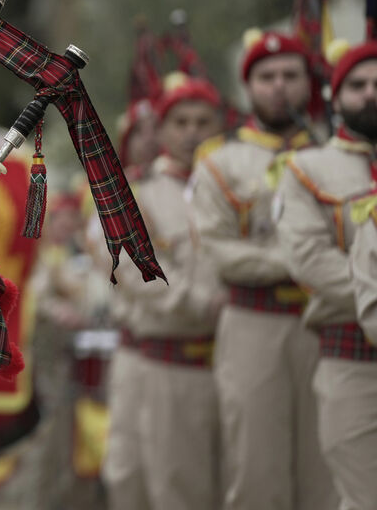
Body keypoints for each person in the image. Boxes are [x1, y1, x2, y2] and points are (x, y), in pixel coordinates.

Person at [189, 30, 335, 510]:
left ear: (308, 84)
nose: (279, 86)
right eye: (266, 76)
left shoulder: (336, 158)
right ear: (248, 87)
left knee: (328, 469)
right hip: (254, 324)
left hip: (329, 326)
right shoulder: (220, 162)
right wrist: (302, 262)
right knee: (257, 469)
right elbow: (219, 250)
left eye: (291, 75)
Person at [105, 76, 224, 510]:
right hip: (160, 356)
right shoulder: (135, 194)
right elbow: (135, 271)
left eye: (203, 121)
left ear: (219, 127)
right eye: (180, 122)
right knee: (149, 481)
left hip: (227, 356)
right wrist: (199, 302)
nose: (192, 132)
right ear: (163, 130)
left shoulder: (233, 190)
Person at [277, 41, 377, 510]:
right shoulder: (307, 168)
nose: (371, 93)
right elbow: (309, 260)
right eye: (358, 85)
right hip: (353, 361)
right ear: (336, 98)